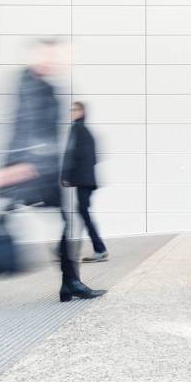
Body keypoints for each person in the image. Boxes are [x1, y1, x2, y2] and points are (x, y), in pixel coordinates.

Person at [0, 39, 106, 313]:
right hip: (21, 171)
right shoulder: (24, 84)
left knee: (66, 225)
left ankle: (71, 282)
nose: (55, 60)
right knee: (2, 240)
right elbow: (21, 127)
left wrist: (57, 173)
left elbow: (50, 135)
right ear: (34, 56)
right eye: (49, 55)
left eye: (58, 55)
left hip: (42, 173)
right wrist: (11, 168)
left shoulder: (50, 88)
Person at [60, 102, 109, 263]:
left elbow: (71, 154)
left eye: (74, 109)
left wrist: (66, 176)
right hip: (86, 180)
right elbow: (93, 158)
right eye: (71, 109)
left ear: (82, 111)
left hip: (83, 180)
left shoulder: (77, 129)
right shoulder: (85, 131)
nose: (71, 112)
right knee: (82, 211)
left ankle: (99, 249)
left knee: (83, 212)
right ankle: (92, 249)